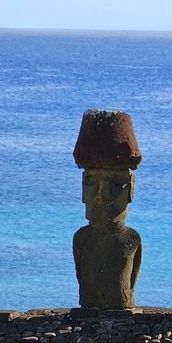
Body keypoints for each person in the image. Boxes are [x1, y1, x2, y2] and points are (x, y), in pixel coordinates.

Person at [72, 109, 142, 310]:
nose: (103, 195)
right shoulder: (81, 238)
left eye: (118, 183)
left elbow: (132, 281)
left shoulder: (131, 239)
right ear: (83, 189)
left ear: (131, 190)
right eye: (93, 182)